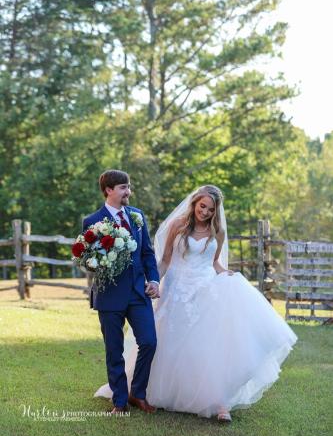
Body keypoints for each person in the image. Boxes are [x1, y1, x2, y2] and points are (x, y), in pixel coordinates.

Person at [95, 185, 297, 422]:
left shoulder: (217, 232)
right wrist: (153, 283)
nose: (206, 212)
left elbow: (215, 263)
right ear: (194, 204)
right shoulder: (177, 226)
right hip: (176, 290)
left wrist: (227, 275)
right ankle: (142, 391)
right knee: (164, 342)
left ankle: (220, 403)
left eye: (211, 210)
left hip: (204, 289)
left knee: (207, 345)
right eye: (202, 206)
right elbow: (166, 260)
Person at [83, 169, 160, 414]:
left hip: (139, 293)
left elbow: (147, 252)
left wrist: (154, 281)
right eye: (124, 187)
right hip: (110, 296)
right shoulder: (92, 221)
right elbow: (88, 260)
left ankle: (138, 394)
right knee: (114, 349)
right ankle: (119, 401)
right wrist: (96, 261)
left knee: (149, 342)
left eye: (128, 186)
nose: (129, 192)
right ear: (109, 190)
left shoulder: (137, 216)